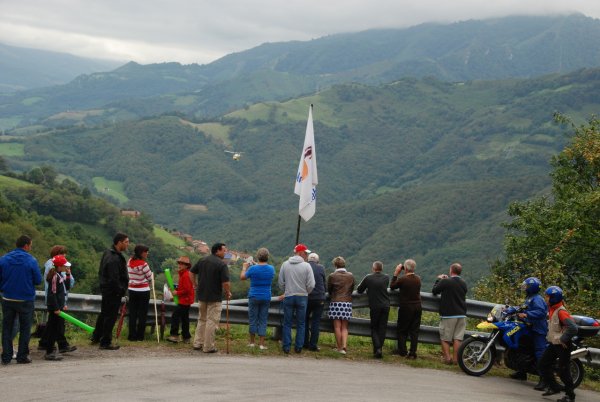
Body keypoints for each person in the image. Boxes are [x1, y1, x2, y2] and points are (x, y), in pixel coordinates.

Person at [0, 235, 42, 365]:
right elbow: (38, 280)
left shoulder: (3, 259)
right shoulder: (31, 261)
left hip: (7, 298)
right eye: (30, 245)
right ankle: (22, 356)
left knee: (7, 327)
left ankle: (6, 357)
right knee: (25, 328)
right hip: (25, 299)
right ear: (26, 246)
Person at [539, 286, 578, 402]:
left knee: (563, 370)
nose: (545, 298)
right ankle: (554, 387)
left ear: (554, 298)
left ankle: (570, 396)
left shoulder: (561, 311)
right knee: (542, 364)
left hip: (562, 345)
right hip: (554, 344)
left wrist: (563, 339)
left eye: (547, 296)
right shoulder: (552, 308)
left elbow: (573, 328)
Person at [191, 242, 231, 353]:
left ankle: (198, 343)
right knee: (211, 321)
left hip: (202, 295)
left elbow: (191, 272)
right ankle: (208, 346)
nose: (225, 252)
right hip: (214, 297)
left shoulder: (202, 260)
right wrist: (228, 292)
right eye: (224, 250)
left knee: (202, 319)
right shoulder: (221, 265)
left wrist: (194, 284)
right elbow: (226, 282)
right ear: (217, 251)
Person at [92, 233, 129, 350]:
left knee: (104, 314)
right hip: (113, 292)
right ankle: (105, 342)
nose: (128, 244)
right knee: (110, 317)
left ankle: (96, 337)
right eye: (126, 242)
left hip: (106, 290)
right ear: (119, 242)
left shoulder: (108, 253)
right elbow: (114, 278)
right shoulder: (114, 258)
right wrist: (121, 290)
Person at [510, 277, 548, 390]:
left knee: (539, 353)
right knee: (523, 349)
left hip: (538, 330)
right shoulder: (530, 298)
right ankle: (522, 372)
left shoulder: (538, 299)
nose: (524, 287)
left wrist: (527, 315)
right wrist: (512, 309)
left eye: (526, 286)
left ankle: (544, 380)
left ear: (532, 287)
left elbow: (541, 312)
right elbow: (523, 308)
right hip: (529, 327)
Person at [278, 244, 315, 354]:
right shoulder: (307, 266)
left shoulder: (285, 265)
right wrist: (306, 292)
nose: (307, 255)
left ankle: (286, 346)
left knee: (287, 322)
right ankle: (298, 346)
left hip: (289, 296)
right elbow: (311, 284)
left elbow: (281, 282)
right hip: (302, 296)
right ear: (300, 253)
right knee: (301, 323)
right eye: (305, 253)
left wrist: (286, 290)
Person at [39, 245, 76, 353]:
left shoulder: (59, 272)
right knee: (56, 325)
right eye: (62, 254)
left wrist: (68, 275)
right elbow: (52, 291)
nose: (65, 256)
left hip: (58, 301)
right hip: (55, 302)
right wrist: (56, 306)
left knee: (53, 324)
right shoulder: (54, 273)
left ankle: (46, 343)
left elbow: (68, 285)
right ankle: (55, 347)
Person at [431, 262, 468, 364]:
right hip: (462, 314)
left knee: (445, 338)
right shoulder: (463, 283)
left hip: (449, 314)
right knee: (457, 338)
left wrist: (439, 279)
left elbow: (434, 290)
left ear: (451, 270)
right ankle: (456, 360)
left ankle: (447, 359)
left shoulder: (446, 281)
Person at [240, 248, 275, 350]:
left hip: (254, 296)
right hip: (266, 296)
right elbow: (265, 271)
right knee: (263, 319)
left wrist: (244, 268)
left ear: (257, 256)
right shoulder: (271, 268)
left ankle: (252, 342)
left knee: (253, 319)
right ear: (267, 257)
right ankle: (261, 344)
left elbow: (242, 277)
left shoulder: (252, 269)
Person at [356, 260, 390, 358]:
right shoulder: (386, 277)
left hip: (375, 306)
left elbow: (359, 289)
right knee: (382, 328)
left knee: (374, 327)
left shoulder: (368, 278)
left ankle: (378, 348)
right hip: (386, 305)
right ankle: (379, 350)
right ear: (382, 269)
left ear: (373, 268)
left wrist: (368, 289)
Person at [390, 258, 422, 359]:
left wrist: (396, 273)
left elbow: (392, 286)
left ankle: (403, 351)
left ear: (405, 269)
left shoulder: (403, 279)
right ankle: (413, 352)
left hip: (406, 307)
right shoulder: (418, 279)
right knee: (414, 331)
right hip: (417, 306)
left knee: (402, 330)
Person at [44, 255, 73, 361]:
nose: (66, 267)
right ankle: (49, 352)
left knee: (55, 329)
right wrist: (56, 308)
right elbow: (52, 294)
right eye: (65, 266)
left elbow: (66, 287)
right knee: (52, 329)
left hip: (59, 307)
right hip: (55, 309)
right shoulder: (55, 276)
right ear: (59, 266)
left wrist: (68, 274)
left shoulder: (60, 275)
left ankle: (50, 351)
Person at [327, 256, 355, 355]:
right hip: (347, 302)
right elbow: (352, 288)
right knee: (345, 327)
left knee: (337, 327)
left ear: (335, 265)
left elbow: (329, 289)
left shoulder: (332, 276)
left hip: (335, 302)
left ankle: (339, 348)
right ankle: (344, 346)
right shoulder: (350, 276)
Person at [127, 244, 153, 341]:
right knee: (142, 314)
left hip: (132, 290)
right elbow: (150, 277)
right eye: (146, 252)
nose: (147, 253)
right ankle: (140, 336)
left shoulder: (129, 261)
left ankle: (131, 336)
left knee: (132, 313)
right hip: (143, 291)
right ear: (141, 253)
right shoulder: (144, 264)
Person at [167, 256, 195, 343]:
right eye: (179, 263)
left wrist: (176, 293)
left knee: (175, 316)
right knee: (184, 319)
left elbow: (187, 290)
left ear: (187, 266)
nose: (180, 265)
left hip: (185, 300)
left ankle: (174, 336)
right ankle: (186, 337)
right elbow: (183, 288)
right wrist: (175, 295)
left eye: (182, 264)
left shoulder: (186, 275)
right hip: (185, 300)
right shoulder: (184, 274)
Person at [304, 252, 326, 352]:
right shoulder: (321, 268)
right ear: (317, 261)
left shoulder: (304, 267)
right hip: (319, 298)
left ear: (308, 260)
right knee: (315, 322)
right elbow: (324, 283)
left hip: (307, 297)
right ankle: (313, 345)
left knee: (304, 320)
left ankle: (304, 343)